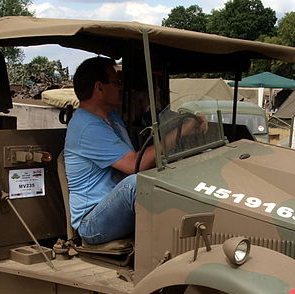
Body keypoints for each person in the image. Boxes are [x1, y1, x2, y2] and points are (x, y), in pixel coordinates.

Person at [64, 57, 204, 245]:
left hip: (113, 211)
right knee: (137, 184)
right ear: (99, 88)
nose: (120, 87)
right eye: (116, 82)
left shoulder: (111, 118)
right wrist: (182, 131)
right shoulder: (86, 126)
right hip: (92, 222)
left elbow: (144, 110)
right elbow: (134, 165)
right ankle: (169, 243)